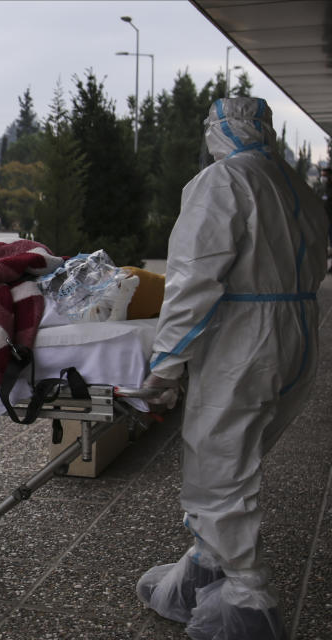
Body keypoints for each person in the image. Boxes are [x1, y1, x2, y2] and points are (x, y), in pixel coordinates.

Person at [136, 97, 327, 639]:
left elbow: (195, 279)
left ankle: (245, 599)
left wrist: (165, 365)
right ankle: (204, 573)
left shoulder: (222, 182)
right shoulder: (296, 187)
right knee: (240, 462)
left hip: (245, 341)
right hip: (297, 335)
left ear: (220, 130)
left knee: (218, 466)